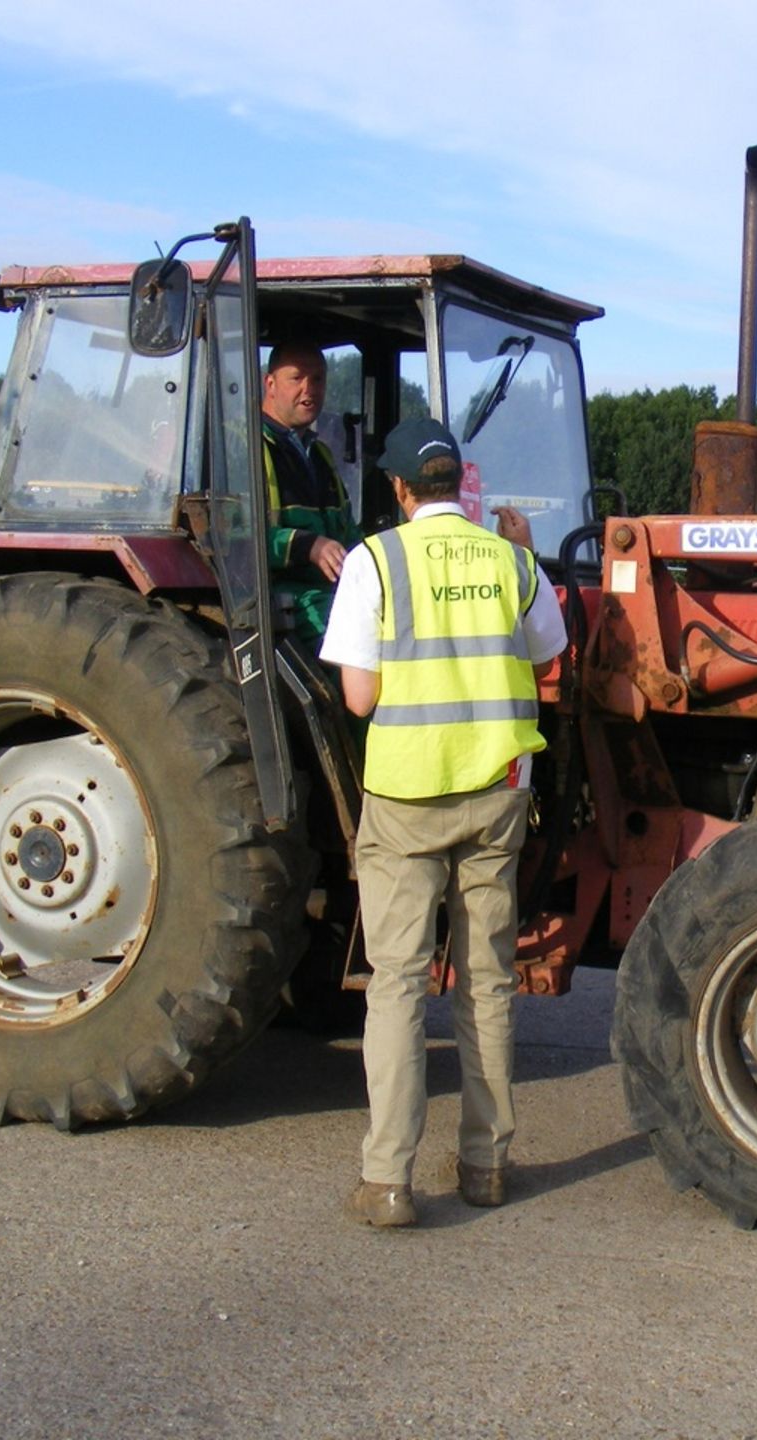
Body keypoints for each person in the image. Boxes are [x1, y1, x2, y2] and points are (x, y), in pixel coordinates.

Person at [318, 417, 567, 1228]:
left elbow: (359, 698)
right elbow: (547, 652)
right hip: (495, 791)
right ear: (459, 482)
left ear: (396, 489)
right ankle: (487, 1165)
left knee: (397, 982)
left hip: (406, 798)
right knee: (487, 979)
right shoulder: (511, 561)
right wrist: (524, 553)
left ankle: (388, 1181)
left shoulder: (374, 561)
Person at [262, 341, 361, 648]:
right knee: (357, 642)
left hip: (329, 591)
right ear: (270, 383)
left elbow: (348, 533)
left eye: (317, 379)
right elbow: (233, 539)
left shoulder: (320, 455)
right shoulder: (245, 447)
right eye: (297, 378)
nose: (310, 389)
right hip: (278, 593)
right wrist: (308, 546)